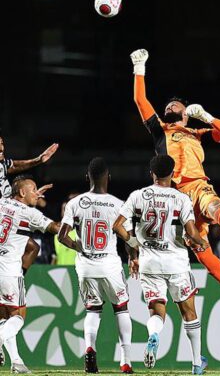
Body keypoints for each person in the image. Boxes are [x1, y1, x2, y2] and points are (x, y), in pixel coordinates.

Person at [129, 49, 220, 320]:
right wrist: (139, 68)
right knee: (202, 251)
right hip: (175, 200)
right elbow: (139, 99)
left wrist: (206, 116)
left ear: (186, 113)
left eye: (174, 106)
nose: (169, 108)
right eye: (167, 107)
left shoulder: (197, 133)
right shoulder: (160, 129)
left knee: (219, 209)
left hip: (197, 187)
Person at [113, 155, 208, 374]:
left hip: (149, 262)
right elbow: (192, 232)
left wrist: (135, 245)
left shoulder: (138, 196)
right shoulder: (180, 198)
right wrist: (201, 242)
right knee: (189, 312)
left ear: (152, 173)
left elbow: (117, 226)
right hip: (176, 263)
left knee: (156, 311)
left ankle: (154, 336)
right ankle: (196, 364)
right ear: (173, 174)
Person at [58, 158, 133, 374]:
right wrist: (133, 257)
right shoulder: (119, 204)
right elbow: (127, 237)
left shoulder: (75, 203)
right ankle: (125, 361)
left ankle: (90, 348)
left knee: (92, 310)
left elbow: (62, 237)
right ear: (108, 177)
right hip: (109, 264)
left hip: (86, 266)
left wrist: (78, 247)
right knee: (121, 308)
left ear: (87, 178)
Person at [0, 176, 59, 374]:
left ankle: (16, 361)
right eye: (33, 189)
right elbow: (55, 228)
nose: (37, 192)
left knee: (4, 316)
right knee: (18, 316)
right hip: (9, 270)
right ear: (23, 193)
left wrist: (32, 193)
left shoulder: (1, 202)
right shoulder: (29, 213)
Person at [0, 132, 59, 199]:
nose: (1, 149)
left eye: (1, 143)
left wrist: (38, 160)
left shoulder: (2, 163)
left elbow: (13, 166)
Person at [53, 193, 80, 265]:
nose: (66, 212)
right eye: (64, 209)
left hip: (77, 273)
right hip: (61, 274)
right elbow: (54, 257)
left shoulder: (80, 233)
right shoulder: (56, 235)